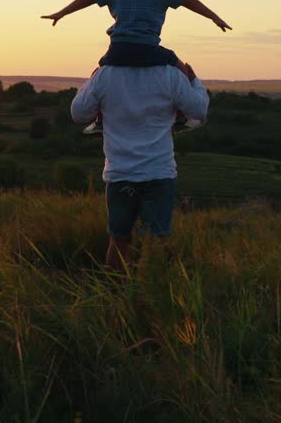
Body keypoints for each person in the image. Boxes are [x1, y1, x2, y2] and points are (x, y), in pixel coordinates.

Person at [43, 0, 230, 132]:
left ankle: (99, 119)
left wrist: (62, 13)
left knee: (98, 71)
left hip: (119, 50)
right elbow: (188, 0)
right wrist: (214, 17)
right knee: (180, 67)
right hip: (149, 49)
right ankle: (180, 117)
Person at [70, 59, 209, 272]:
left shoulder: (105, 75)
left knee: (118, 241)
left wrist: (92, 80)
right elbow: (199, 110)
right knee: (157, 242)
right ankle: (154, 295)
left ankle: (114, 296)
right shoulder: (170, 73)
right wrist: (192, 79)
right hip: (158, 173)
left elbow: (78, 113)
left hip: (120, 173)